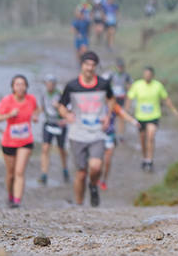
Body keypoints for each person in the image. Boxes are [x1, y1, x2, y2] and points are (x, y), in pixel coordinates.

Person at [59, 50, 137, 206]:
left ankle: (93, 185)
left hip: (97, 133)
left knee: (95, 167)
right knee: (81, 174)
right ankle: (79, 205)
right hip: (78, 133)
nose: (90, 68)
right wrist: (67, 115)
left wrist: (108, 116)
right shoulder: (72, 85)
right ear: (82, 66)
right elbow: (61, 105)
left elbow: (112, 99)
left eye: (93, 65)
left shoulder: (103, 84)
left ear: (96, 67)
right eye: (87, 64)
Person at [0, 74, 40, 208]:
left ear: (26, 87)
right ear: (13, 87)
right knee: (11, 174)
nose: (20, 87)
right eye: (17, 84)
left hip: (25, 141)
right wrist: (9, 115)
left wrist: (35, 116)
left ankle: (17, 201)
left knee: (19, 171)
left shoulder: (31, 99)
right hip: (9, 142)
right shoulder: (7, 101)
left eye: (22, 84)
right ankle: (10, 195)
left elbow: (37, 109)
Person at [126, 66, 178, 172]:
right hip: (140, 117)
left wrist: (174, 110)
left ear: (152, 76)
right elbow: (129, 98)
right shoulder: (137, 85)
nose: (147, 76)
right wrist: (126, 111)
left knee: (150, 137)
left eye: (149, 75)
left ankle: (150, 160)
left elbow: (165, 98)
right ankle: (145, 157)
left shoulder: (158, 86)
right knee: (142, 139)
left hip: (154, 116)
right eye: (145, 74)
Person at [99, 58, 132, 190]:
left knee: (120, 118)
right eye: (118, 66)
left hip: (121, 98)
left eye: (121, 66)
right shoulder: (111, 76)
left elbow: (130, 87)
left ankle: (121, 135)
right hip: (112, 98)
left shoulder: (126, 76)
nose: (120, 67)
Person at [38, 74, 70, 185]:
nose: (50, 85)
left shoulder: (60, 95)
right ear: (45, 84)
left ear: (55, 84)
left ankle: (65, 169)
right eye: (48, 83)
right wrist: (36, 114)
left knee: (61, 149)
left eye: (52, 83)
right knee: (45, 148)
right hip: (48, 123)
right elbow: (43, 107)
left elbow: (68, 109)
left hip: (59, 124)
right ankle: (44, 173)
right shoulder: (43, 94)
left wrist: (59, 107)